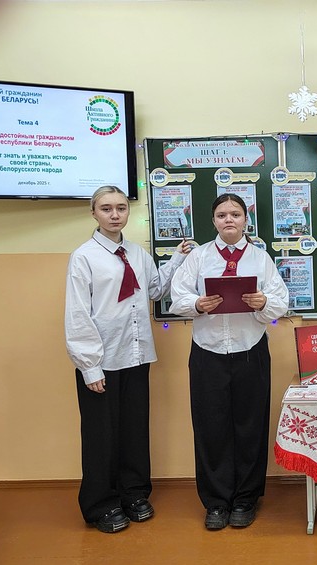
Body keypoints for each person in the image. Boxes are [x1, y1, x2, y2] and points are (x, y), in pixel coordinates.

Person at [65, 185, 191, 533]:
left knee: (134, 430)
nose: (115, 214)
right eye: (106, 208)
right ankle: (100, 504)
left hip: (136, 355)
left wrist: (177, 259)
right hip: (102, 361)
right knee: (101, 435)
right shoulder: (84, 257)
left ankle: (134, 493)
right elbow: (78, 313)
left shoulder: (136, 252)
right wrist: (89, 365)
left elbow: (154, 289)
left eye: (121, 208)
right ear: (94, 213)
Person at [170, 193, 289, 531]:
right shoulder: (198, 257)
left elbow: (281, 301)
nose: (229, 220)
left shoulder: (260, 258)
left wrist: (263, 302)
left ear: (245, 219)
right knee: (211, 428)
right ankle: (217, 502)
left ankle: (246, 499)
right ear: (213, 221)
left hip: (250, 351)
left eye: (235, 214)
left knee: (250, 426)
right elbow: (177, 296)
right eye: (222, 215)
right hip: (207, 352)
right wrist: (197, 304)